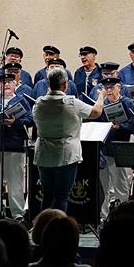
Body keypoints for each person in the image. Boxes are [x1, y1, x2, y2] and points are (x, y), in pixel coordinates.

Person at [32, 67, 104, 212]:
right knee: (62, 196)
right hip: (65, 154)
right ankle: (59, 225)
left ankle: (44, 224)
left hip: (44, 154)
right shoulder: (71, 102)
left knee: (47, 195)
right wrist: (101, 96)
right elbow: (96, 112)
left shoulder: (39, 103)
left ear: (48, 84)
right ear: (65, 84)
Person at [0, 73, 33, 221]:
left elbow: (30, 120)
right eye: (3, 82)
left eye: (10, 82)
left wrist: (15, 122)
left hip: (15, 147)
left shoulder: (21, 100)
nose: (7, 84)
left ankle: (17, 214)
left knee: (15, 182)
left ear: (15, 84)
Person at [96, 76, 134, 218]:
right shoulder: (102, 104)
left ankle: (123, 215)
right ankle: (103, 216)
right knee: (103, 186)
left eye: (111, 87)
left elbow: (133, 125)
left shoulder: (127, 103)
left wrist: (120, 127)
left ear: (119, 88)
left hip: (120, 149)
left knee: (120, 185)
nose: (109, 90)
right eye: (106, 88)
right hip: (104, 149)